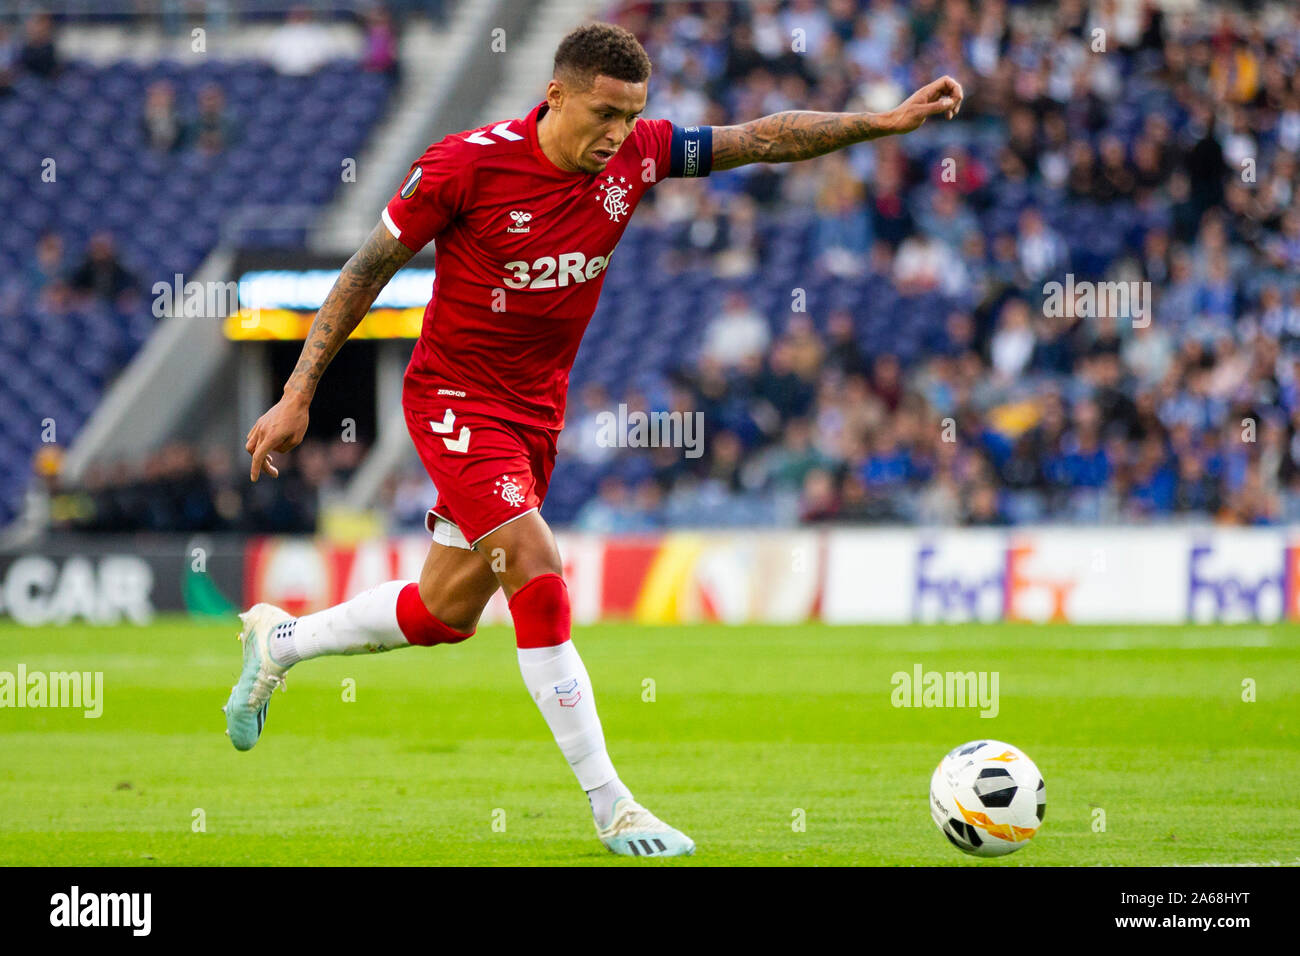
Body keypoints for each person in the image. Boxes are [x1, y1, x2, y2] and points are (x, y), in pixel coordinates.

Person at [232, 21, 963, 858]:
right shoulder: (463, 165)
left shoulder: (639, 157)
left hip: (535, 413)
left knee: (443, 613)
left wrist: (881, 122)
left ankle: (279, 641)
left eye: (633, 115)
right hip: (454, 400)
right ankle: (613, 805)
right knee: (537, 571)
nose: (618, 133)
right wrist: (298, 395)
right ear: (556, 96)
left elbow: (761, 138)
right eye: (605, 113)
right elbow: (365, 271)